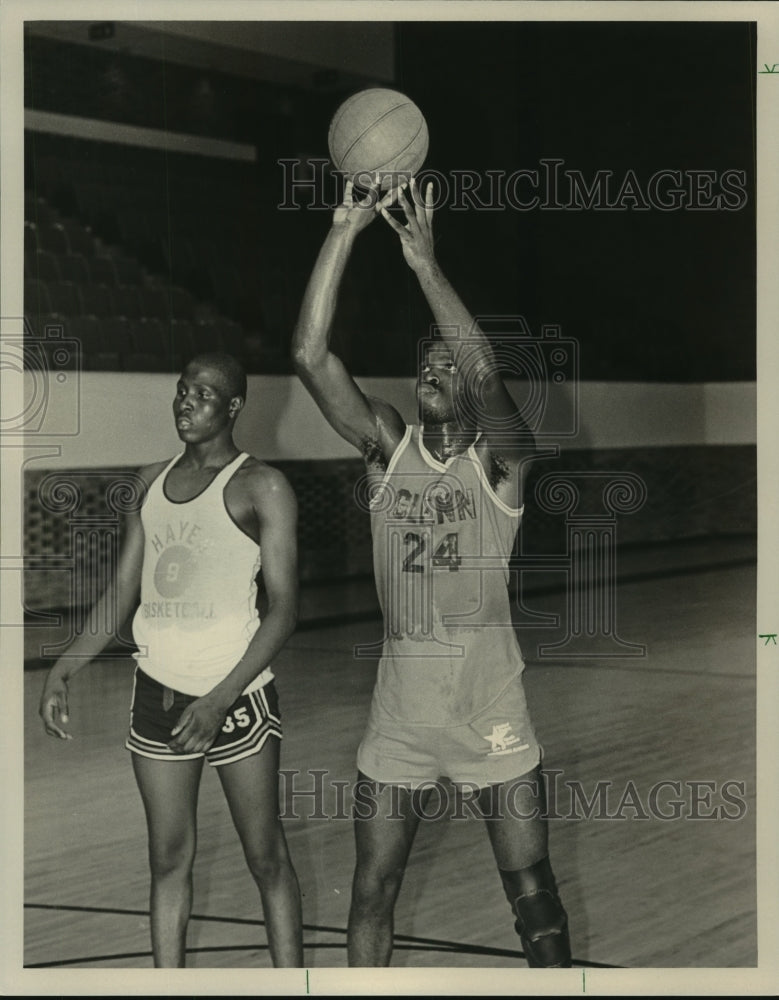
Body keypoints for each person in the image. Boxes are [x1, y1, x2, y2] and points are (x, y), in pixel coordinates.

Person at [292, 176, 571, 968]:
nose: (433, 370)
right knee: (370, 893)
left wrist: (424, 265)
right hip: (400, 718)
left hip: (490, 707)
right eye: (426, 361)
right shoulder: (388, 446)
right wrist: (343, 229)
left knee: (536, 904)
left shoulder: (501, 464)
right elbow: (309, 355)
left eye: (447, 364)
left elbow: (487, 377)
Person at [39, 352, 303, 969]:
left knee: (265, 856)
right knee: (167, 859)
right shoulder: (148, 482)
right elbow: (121, 593)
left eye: (205, 395)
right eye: (183, 390)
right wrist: (64, 667)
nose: (187, 401)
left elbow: (285, 609)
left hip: (236, 699)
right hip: (158, 697)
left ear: (233, 407)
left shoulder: (260, 485)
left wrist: (219, 699)